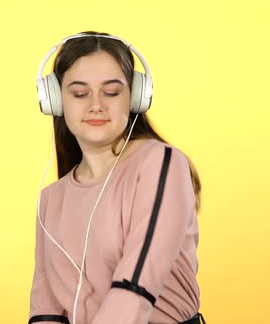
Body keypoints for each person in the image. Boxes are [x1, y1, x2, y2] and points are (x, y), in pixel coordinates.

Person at [29, 31, 206, 324]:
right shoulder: (50, 200)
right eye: (79, 93)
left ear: (136, 98)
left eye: (111, 92)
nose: (96, 104)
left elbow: (136, 288)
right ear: (55, 100)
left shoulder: (161, 165)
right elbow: (45, 311)